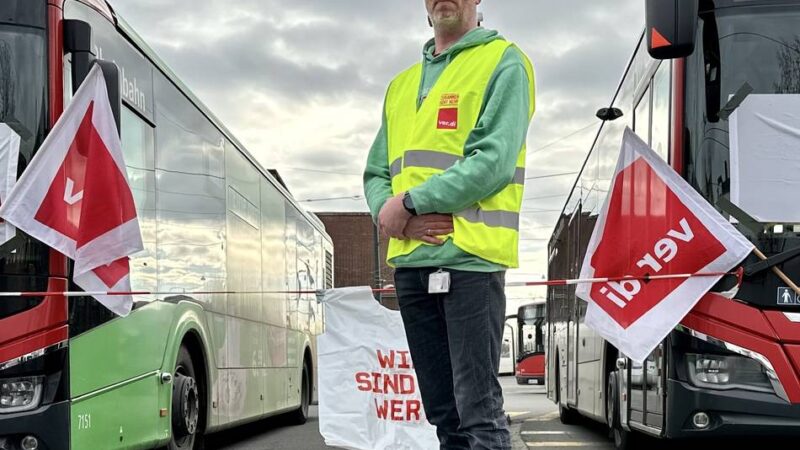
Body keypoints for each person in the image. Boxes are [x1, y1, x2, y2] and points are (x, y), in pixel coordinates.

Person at [363, 0, 535, 448]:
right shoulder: (400, 86)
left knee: (478, 413)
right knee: (444, 416)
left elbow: (493, 162)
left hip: (470, 264)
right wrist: (397, 218)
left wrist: (412, 202)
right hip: (412, 267)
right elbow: (377, 173)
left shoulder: (505, 62)